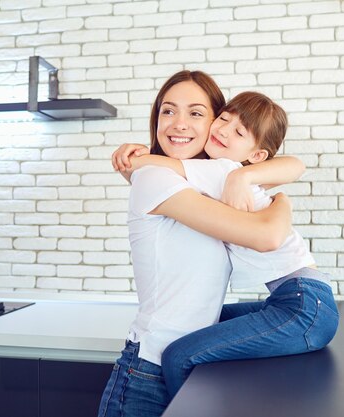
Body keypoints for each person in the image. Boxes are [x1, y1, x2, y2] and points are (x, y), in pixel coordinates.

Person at [97, 71, 301, 417]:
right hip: (148, 374)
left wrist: (244, 173)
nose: (178, 124)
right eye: (168, 111)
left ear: (215, 123)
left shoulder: (212, 182)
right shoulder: (154, 178)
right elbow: (267, 235)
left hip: (189, 364)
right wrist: (283, 202)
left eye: (195, 113)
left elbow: (295, 164)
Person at [119, 91, 339, 399]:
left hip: (303, 305)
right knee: (204, 321)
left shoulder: (223, 170)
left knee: (179, 355)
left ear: (258, 155)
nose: (223, 130)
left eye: (238, 132)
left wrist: (135, 159)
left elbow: (167, 166)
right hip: (301, 299)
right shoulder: (229, 174)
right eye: (223, 119)